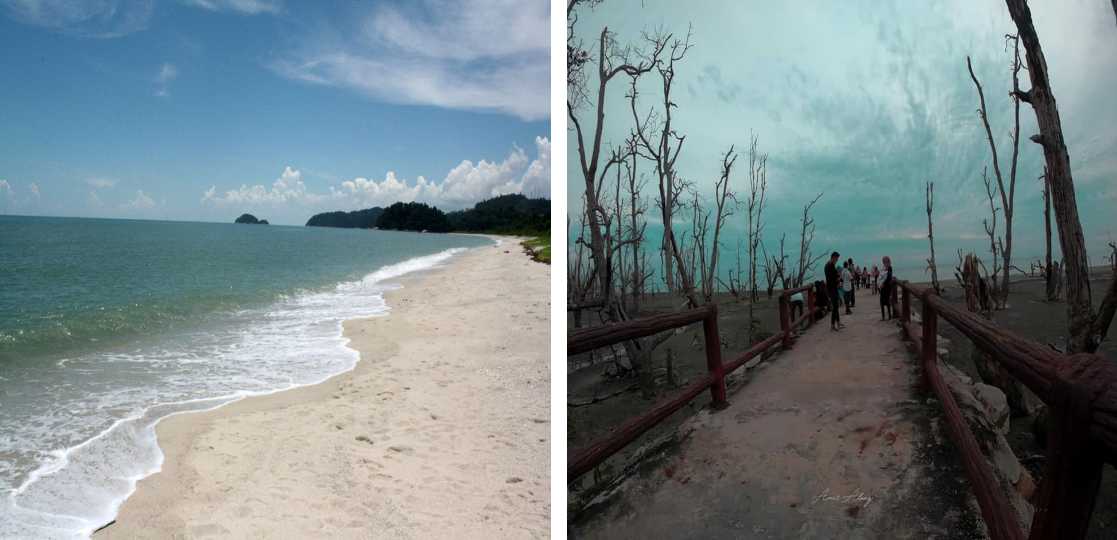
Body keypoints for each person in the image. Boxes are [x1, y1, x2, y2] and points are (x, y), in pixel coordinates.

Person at [824, 252, 843, 331]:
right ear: (833, 257)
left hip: (833, 288)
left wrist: (838, 278)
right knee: (835, 306)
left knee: (836, 305)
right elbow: (830, 279)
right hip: (831, 288)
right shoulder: (829, 266)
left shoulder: (830, 265)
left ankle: (838, 323)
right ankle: (832, 325)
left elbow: (834, 276)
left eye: (837, 259)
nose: (837, 260)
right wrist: (838, 280)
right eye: (836, 259)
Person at [880, 256, 895, 320]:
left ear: (887, 261)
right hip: (884, 287)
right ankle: (884, 317)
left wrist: (883, 283)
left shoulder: (889, 268)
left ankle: (889, 316)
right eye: (883, 261)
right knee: (882, 302)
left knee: (886, 301)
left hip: (887, 287)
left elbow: (889, 277)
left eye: (884, 261)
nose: (883, 262)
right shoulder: (884, 268)